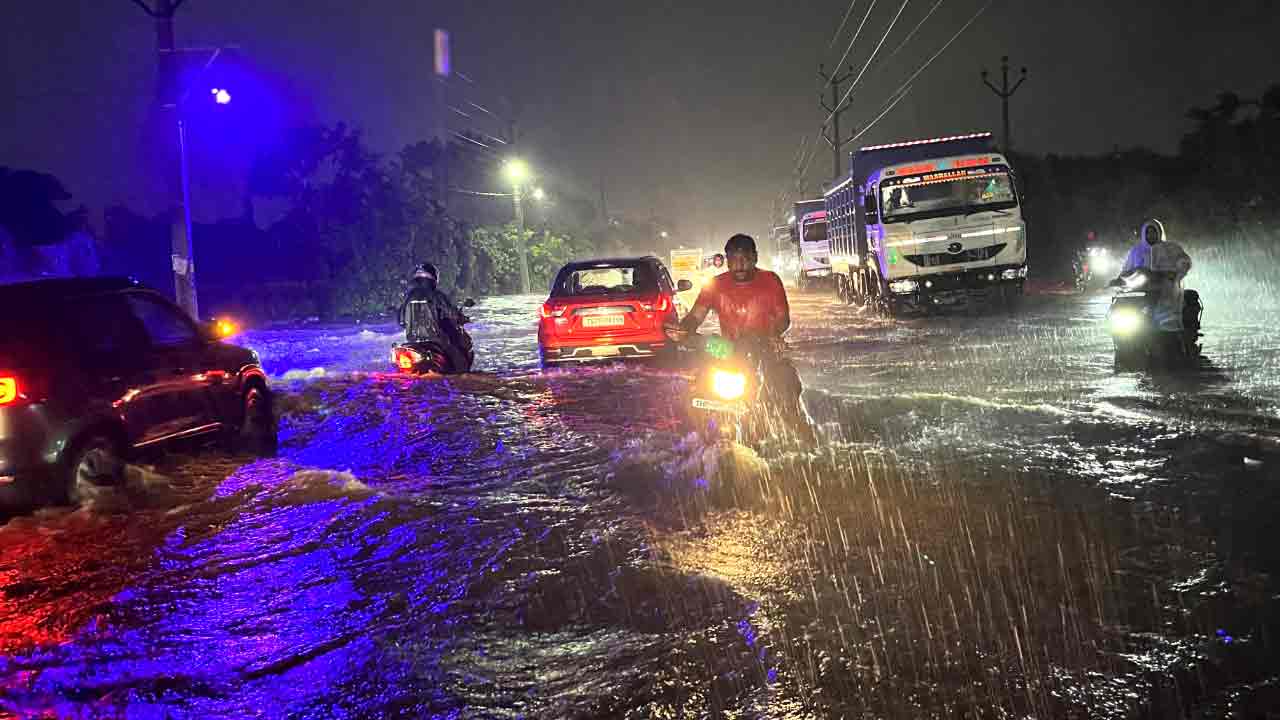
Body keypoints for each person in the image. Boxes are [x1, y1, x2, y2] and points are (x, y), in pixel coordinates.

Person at [666, 234, 811, 440]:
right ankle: (702, 438)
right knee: (698, 388)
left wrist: (773, 335)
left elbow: (783, 319)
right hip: (729, 350)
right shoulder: (714, 286)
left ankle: (806, 441)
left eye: (745, 259)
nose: (740, 266)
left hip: (765, 348)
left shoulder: (770, 281)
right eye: (734, 260)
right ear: (726, 261)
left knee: (785, 391)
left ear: (755, 258)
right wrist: (682, 330)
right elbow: (695, 317)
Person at [1117, 218, 1194, 331]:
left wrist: (1175, 273)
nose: (1150, 235)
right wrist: (1119, 279)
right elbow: (1126, 269)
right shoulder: (1136, 251)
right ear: (1143, 233)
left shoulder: (1171, 248)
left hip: (1166, 292)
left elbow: (1185, 261)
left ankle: (1175, 340)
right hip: (1140, 294)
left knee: (1169, 325)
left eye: (1153, 231)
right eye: (1148, 232)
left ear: (1159, 232)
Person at [398, 262, 471, 371]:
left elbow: (401, 321)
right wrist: (461, 318)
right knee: (460, 361)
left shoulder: (407, 298)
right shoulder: (437, 295)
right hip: (436, 342)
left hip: (412, 343)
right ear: (433, 278)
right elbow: (452, 314)